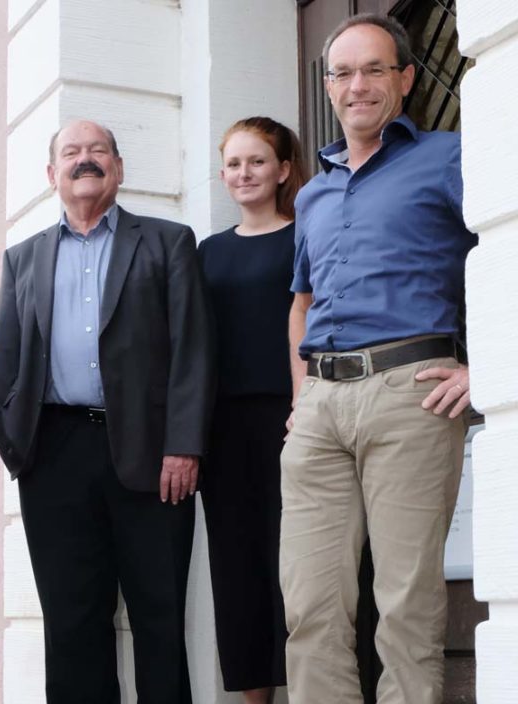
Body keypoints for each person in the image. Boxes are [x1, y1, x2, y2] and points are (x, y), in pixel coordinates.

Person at [280, 14, 477, 704]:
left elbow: (506, 249)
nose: (357, 85)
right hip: (320, 408)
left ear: (407, 79)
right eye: (343, 72)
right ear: (328, 86)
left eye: (374, 70)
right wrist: (301, 396)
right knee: (309, 607)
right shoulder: (313, 193)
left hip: (410, 392)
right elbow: (301, 304)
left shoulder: (450, 157)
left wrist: (483, 366)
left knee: (406, 607)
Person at [0, 119, 214, 703]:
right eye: (71, 152)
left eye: (97, 150)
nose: (84, 159)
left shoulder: (167, 242)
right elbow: (7, 364)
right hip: (54, 456)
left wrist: (183, 444)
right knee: (71, 626)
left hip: (154, 456)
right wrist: (20, 452)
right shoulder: (22, 259)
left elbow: (193, 350)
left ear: (118, 167)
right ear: (52, 173)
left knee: (160, 621)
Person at [198, 116, 307, 704]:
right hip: (224, 431)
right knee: (236, 567)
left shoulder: (305, 237)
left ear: (283, 170)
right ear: (223, 175)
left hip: (294, 420)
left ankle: (313, 688)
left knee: (297, 560)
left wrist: (303, 404)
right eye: (235, 164)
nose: (245, 173)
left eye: (258, 161)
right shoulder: (208, 252)